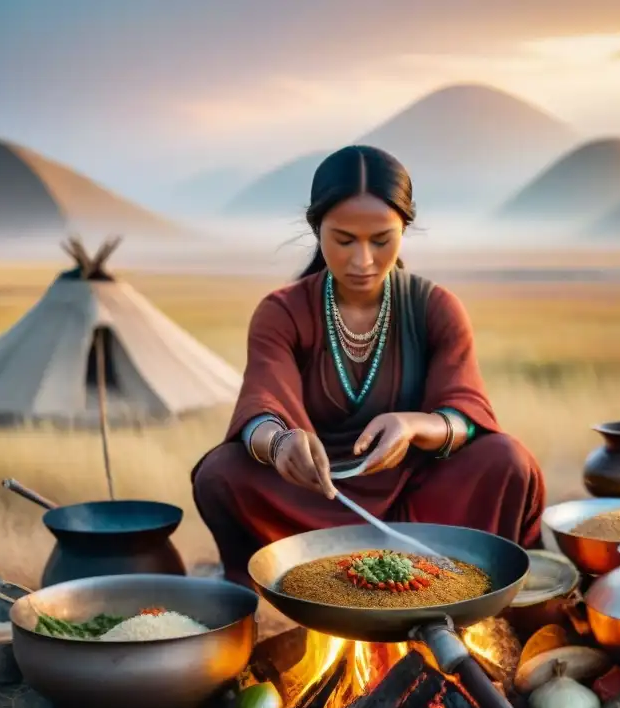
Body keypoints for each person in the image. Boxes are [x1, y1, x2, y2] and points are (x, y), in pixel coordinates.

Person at [191, 145, 546, 584]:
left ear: (404, 228)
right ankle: (286, 585)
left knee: (506, 460)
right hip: (312, 493)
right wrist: (280, 444)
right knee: (221, 473)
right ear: (317, 229)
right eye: (343, 240)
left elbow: (466, 412)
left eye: (381, 240)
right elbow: (261, 402)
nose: (362, 261)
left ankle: (456, 581)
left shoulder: (435, 307)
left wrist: (413, 426)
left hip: (419, 496)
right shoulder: (282, 311)